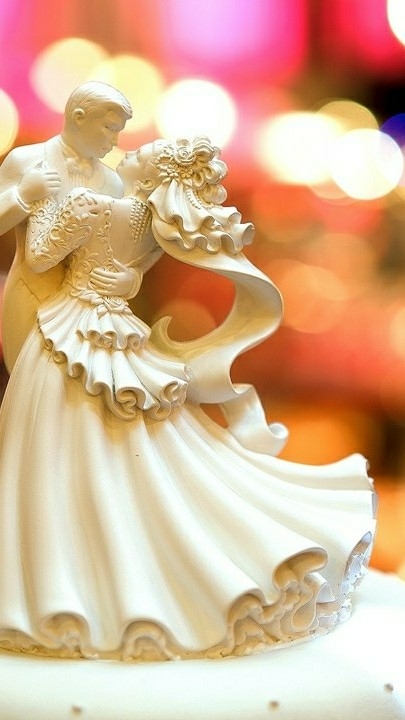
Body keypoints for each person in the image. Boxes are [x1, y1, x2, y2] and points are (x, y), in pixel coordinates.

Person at [0, 136, 375, 661]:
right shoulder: (151, 228)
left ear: (152, 174)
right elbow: (126, 275)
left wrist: (37, 200)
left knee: (59, 447)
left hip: (74, 330)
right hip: (115, 328)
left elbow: (41, 256)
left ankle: (66, 570)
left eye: (140, 154)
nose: (127, 152)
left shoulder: (97, 204)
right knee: (117, 448)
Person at [0, 81, 134, 372]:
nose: (114, 140)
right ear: (79, 117)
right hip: (30, 294)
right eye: (109, 128)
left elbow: (120, 247)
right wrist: (22, 195)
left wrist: (131, 280)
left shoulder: (113, 183)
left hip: (87, 309)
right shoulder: (25, 161)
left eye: (118, 131)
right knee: (26, 382)